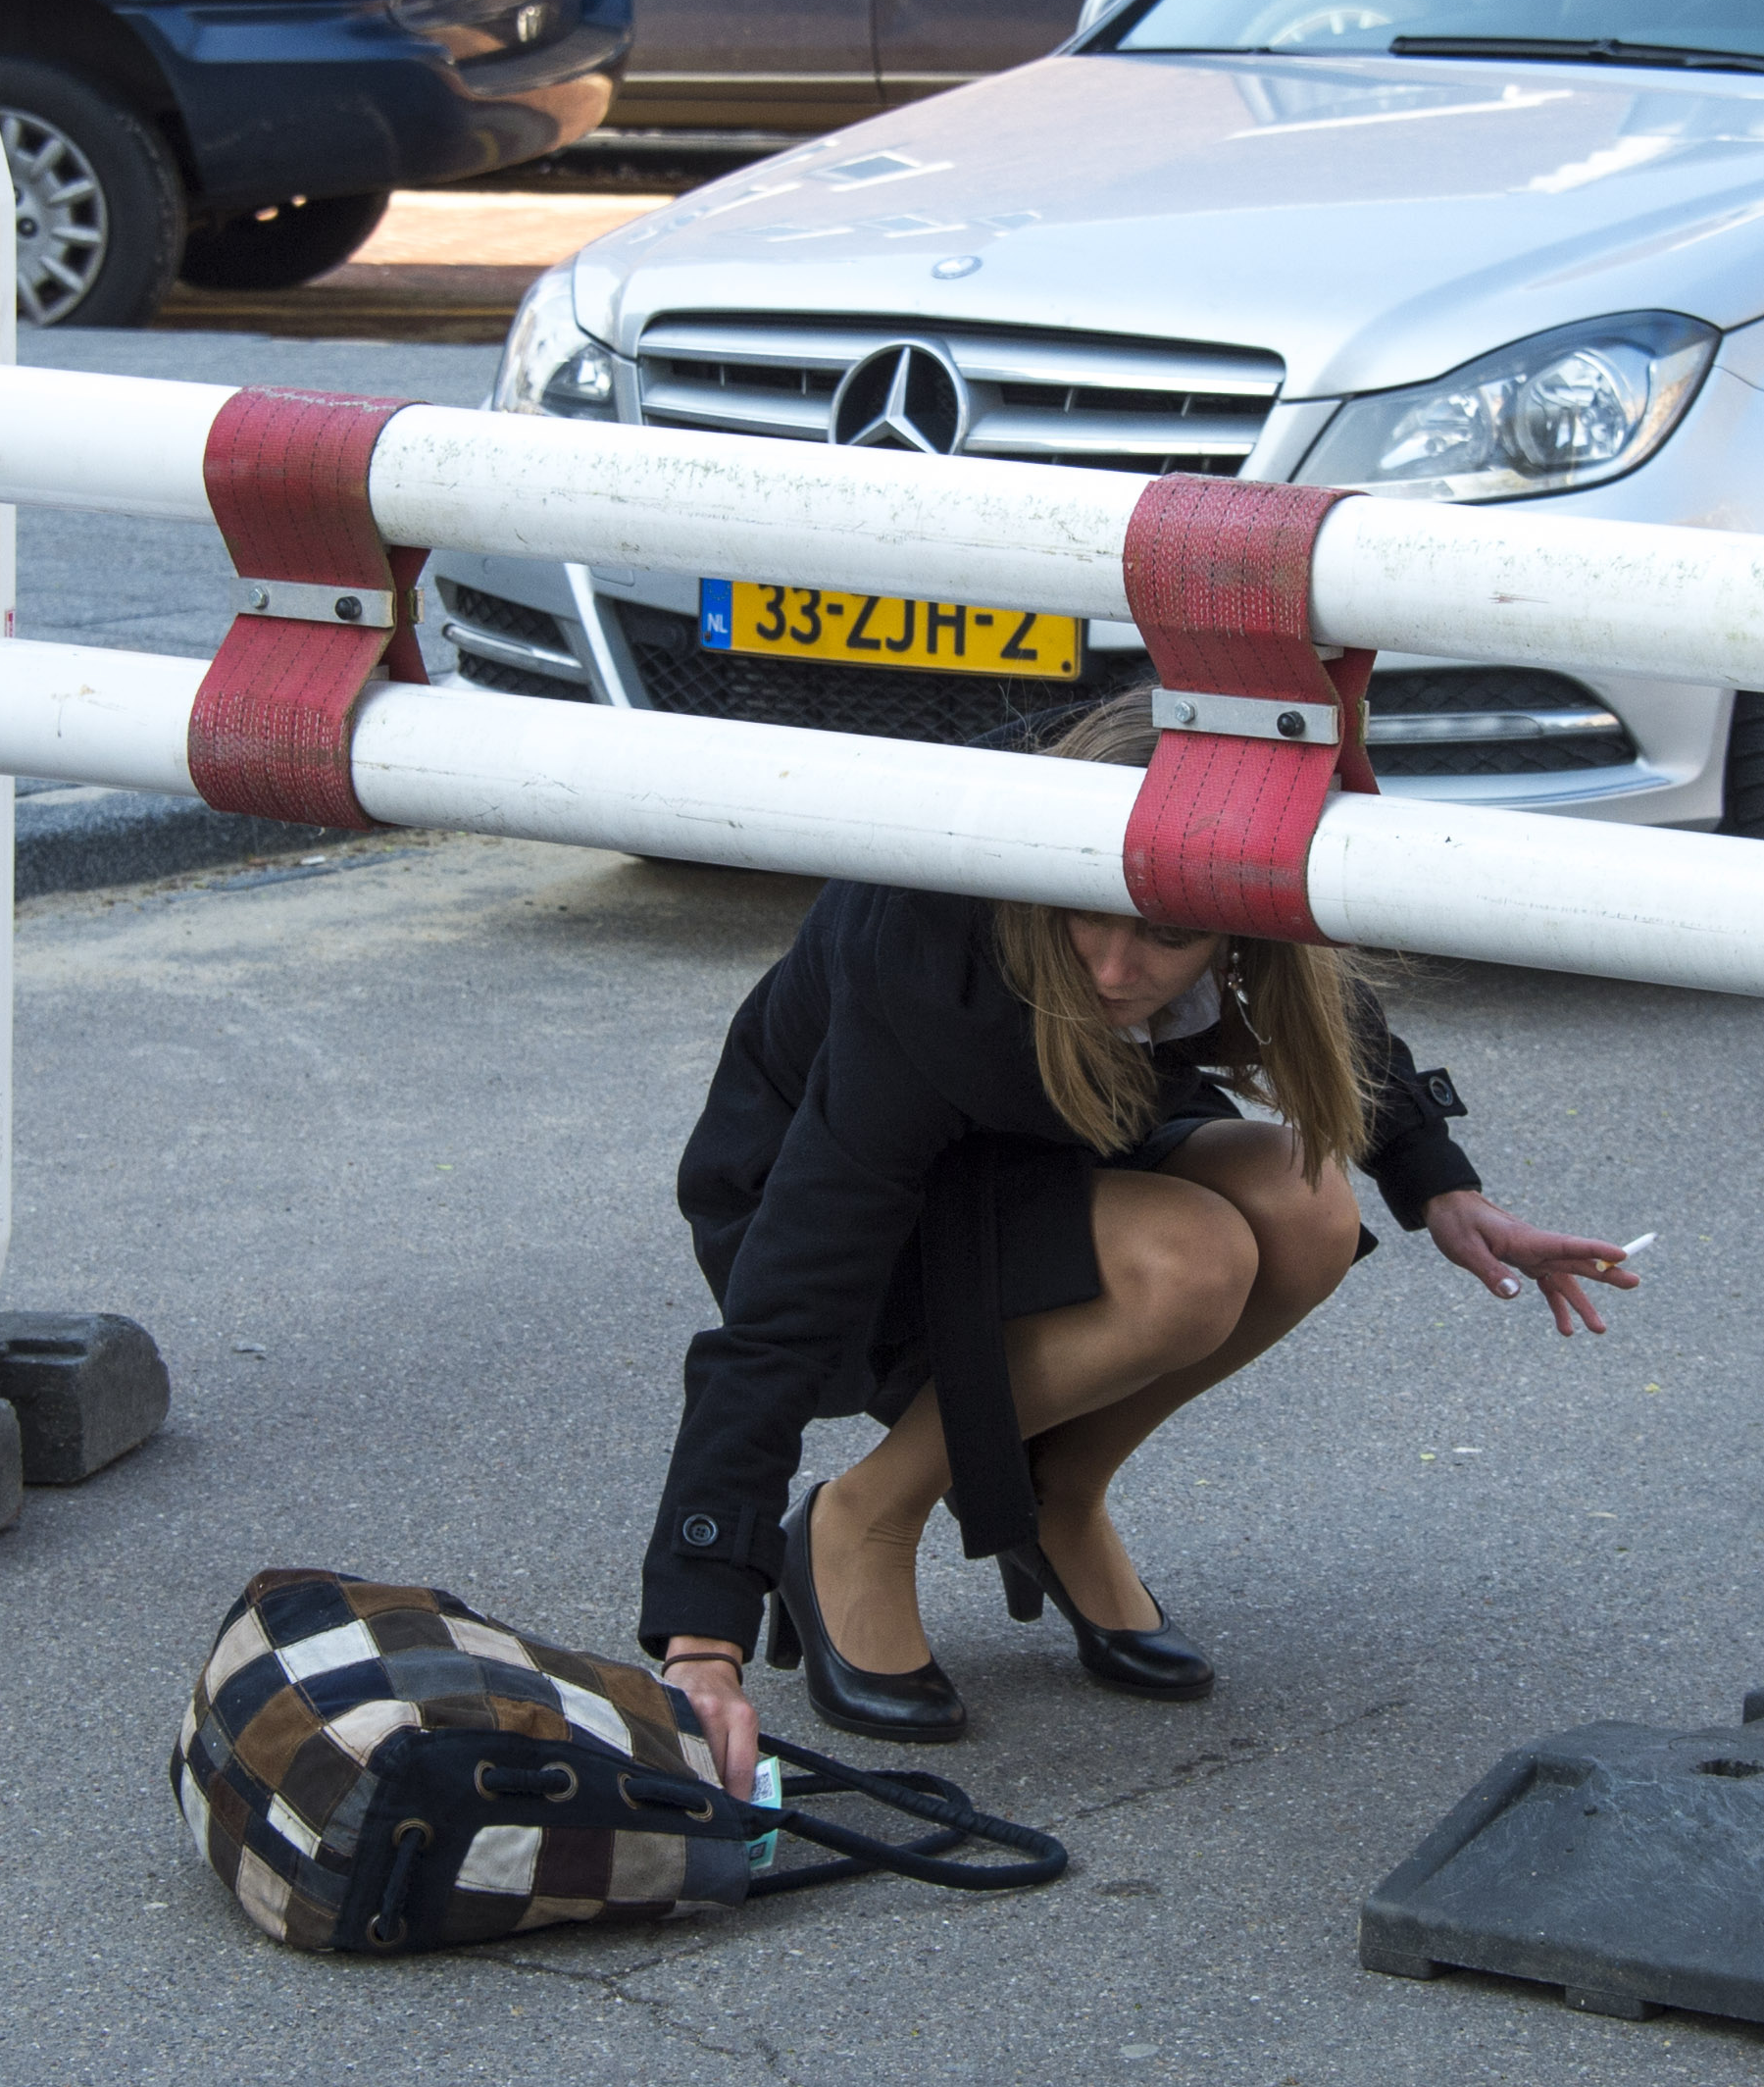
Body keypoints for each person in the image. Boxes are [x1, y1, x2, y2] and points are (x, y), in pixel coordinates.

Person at [640, 696, 1636, 1782]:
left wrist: (1442, 1185)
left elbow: (1316, 1007)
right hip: (840, 1202)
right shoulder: (928, 951)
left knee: (1305, 1202)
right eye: (1088, 916)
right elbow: (787, 1305)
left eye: (1169, 934)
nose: (1116, 972)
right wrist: (702, 1630)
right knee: (1188, 1261)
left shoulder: (1225, 891)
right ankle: (860, 1516)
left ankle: (1058, 1493)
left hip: (1049, 1136)